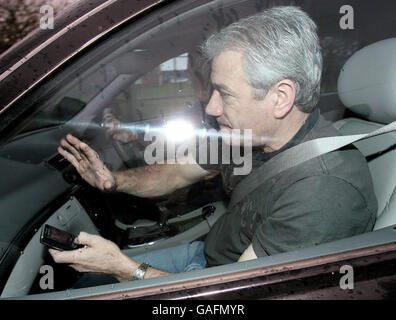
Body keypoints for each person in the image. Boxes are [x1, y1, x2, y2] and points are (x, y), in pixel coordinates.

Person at [50, 6, 377, 285]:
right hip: (205, 254)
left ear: (280, 99)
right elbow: (176, 173)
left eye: (226, 94)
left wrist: (124, 269)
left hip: (219, 279)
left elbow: (238, 296)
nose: (211, 108)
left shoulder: (322, 191)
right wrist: (113, 180)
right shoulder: (248, 137)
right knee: (86, 279)